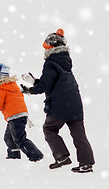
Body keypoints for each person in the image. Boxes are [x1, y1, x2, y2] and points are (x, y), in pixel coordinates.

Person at [21, 29, 95, 173]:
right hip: (75, 105)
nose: (45, 50)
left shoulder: (51, 63)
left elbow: (45, 85)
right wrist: (35, 81)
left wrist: (29, 90)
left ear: (51, 47)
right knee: (79, 135)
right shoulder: (65, 61)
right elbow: (52, 82)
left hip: (60, 106)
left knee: (49, 129)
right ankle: (86, 164)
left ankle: (62, 157)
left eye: (46, 46)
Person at [0, 63, 43, 162]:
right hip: (17, 116)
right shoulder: (13, 86)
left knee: (19, 139)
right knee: (9, 138)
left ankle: (36, 156)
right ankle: (14, 156)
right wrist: (25, 116)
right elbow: (19, 102)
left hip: (14, 117)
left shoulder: (1, 88)